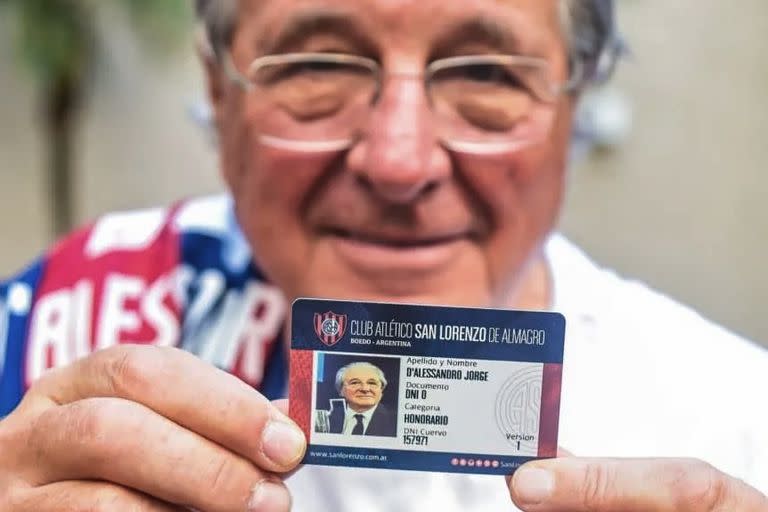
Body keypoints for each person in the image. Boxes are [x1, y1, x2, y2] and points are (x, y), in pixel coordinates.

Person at [0, 0, 766, 510]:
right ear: (219, 91)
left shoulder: (740, 427)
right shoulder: (61, 329)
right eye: (317, 67)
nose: (400, 162)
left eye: (485, 74)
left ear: (577, 100)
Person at [323, 362, 396, 436]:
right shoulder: (326, 418)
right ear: (341, 390)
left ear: (381, 390)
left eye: (372, 383)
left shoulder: (395, 421)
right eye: (355, 383)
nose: (365, 389)